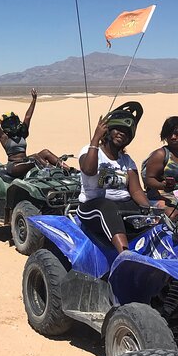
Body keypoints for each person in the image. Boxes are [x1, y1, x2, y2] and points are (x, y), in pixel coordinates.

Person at [77, 102, 150, 253]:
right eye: (118, 129)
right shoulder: (91, 150)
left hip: (121, 206)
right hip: (93, 207)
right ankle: (124, 254)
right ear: (108, 131)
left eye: (126, 132)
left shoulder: (126, 160)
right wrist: (95, 139)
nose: (122, 133)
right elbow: (89, 170)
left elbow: (136, 191)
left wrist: (149, 209)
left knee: (160, 207)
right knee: (108, 207)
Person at [0, 88, 68, 178]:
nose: (12, 125)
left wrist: (34, 100)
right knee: (35, 158)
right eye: (9, 123)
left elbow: (28, 117)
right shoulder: (4, 138)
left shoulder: (22, 134)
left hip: (26, 161)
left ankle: (68, 169)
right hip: (14, 167)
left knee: (45, 152)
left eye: (14, 122)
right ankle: (53, 171)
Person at [143, 116, 178, 213]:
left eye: (177, 134)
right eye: (169, 134)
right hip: (165, 197)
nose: (173, 137)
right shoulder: (161, 154)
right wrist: (162, 185)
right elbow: (148, 179)